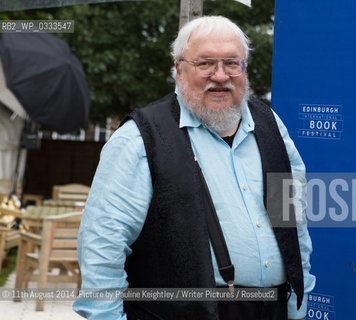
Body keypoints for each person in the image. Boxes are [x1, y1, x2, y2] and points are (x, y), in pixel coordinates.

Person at [73, 15, 315, 320]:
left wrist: (296, 308)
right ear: (178, 70)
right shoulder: (139, 138)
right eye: (205, 64)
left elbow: (293, 224)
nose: (220, 75)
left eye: (231, 63)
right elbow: (102, 246)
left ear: (244, 68)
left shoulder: (271, 127)